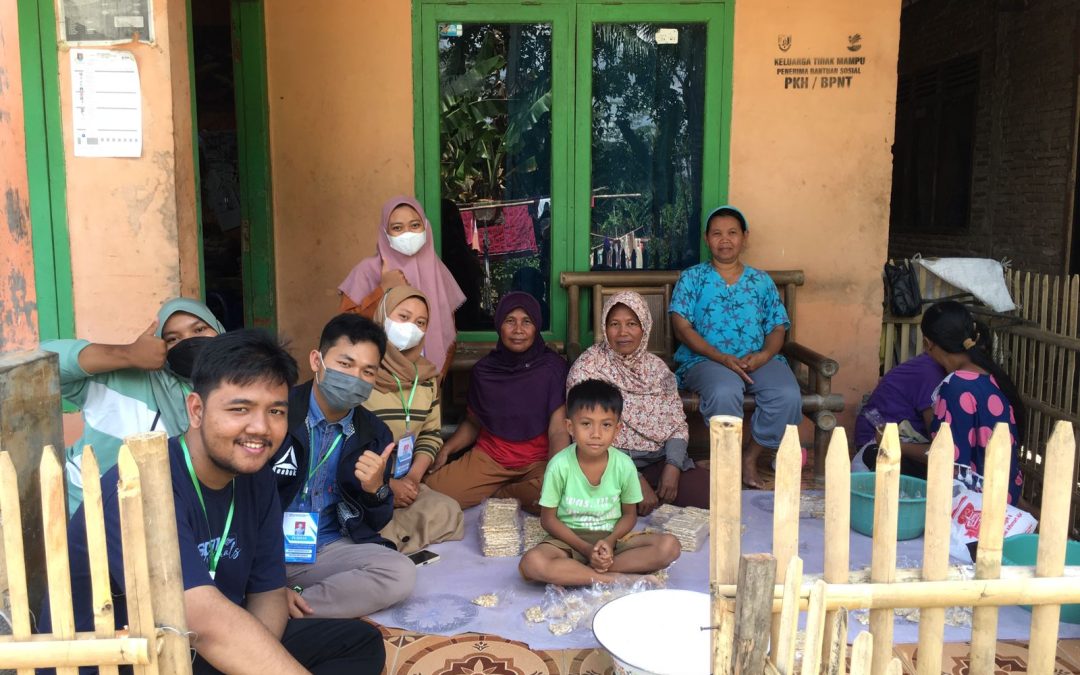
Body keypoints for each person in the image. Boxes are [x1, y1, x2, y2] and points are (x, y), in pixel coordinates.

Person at [40, 329, 386, 675]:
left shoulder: (257, 475)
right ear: (196, 409)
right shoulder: (139, 483)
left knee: (358, 643)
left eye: (276, 412)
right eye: (240, 408)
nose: (260, 428)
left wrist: (245, 663)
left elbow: (269, 594)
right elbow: (202, 618)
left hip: (203, 647)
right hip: (127, 657)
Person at [269, 313, 416, 618]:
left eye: (368, 371)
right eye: (345, 364)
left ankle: (287, 609)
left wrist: (376, 489)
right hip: (262, 548)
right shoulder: (275, 414)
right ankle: (273, 598)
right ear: (316, 361)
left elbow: (374, 521)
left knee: (400, 572)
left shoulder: (375, 434)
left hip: (326, 547)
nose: (354, 378)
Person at [43, 297, 225, 512]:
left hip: (164, 520)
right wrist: (127, 354)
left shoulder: (235, 390)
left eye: (200, 329)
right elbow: (43, 362)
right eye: (172, 339)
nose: (188, 342)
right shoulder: (121, 380)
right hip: (84, 513)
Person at [669, 205, 802, 489]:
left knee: (788, 394)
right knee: (724, 389)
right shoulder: (692, 278)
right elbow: (681, 326)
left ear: (745, 237)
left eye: (732, 233)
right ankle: (726, 463)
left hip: (758, 360)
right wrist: (719, 356)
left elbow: (778, 326)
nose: (725, 239)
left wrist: (765, 354)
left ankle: (749, 458)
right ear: (706, 239)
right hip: (705, 360)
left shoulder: (760, 281)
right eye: (717, 234)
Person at [518, 380, 681, 585]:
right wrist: (586, 549)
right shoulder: (559, 465)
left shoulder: (624, 464)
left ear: (618, 428)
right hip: (568, 540)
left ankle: (582, 573)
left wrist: (610, 542)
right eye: (586, 424)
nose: (596, 434)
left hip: (613, 539)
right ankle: (613, 579)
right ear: (570, 426)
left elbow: (630, 514)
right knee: (532, 562)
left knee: (669, 546)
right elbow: (548, 520)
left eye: (606, 425)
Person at [425, 292, 570, 514]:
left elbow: (559, 430)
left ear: (537, 326)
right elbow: (473, 424)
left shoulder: (552, 369)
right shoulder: (485, 371)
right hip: (491, 458)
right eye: (510, 321)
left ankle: (502, 493)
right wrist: (447, 448)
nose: (518, 330)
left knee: (557, 498)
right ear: (499, 325)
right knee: (432, 492)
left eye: (527, 322)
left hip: (537, 461)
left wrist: (556, 474)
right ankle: (509, 491)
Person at [567, 291, 710, 513]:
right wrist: (634, 478)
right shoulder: (588, 369)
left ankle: (655, 490)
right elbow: (586, 435)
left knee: (708, 494)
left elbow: (677, 425)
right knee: (596, 503)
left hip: (657, 459)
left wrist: (672, 466)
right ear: (605, 329)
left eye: (632, 323)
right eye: (614, 324)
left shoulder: (657, 370)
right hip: (606, 462)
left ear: (644, 327)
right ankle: (638, 496)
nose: (623, 332)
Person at [364, 286, 464, 553]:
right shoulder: (361, 372)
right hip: (364, 484)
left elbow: (431, 433)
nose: (411, 328)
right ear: (382, 316)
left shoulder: (427, 376)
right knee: (371, 523)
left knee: (450, 512)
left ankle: (391, 539)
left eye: (421, 323)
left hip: (406, 480)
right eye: (403, 317)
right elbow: (345, 444)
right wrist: (386, 485)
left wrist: (412, 479)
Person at [338, 196, 466, 376]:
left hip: (426, 379)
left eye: (415, 225)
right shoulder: (367, 271)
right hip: (376, 377)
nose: (408, 233)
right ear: (385, 232)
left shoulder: (437, 271)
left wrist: (438, 378)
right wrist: (382, 289)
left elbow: (448, 329)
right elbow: (344, 327)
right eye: (397, 228)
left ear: (426, 227)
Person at [921, 301, 1025, 504]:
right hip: (1003, 501)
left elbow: (951, 461)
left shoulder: (955, 386)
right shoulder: (992, 377)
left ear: (928, 343)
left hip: (973, 511)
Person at [853, 353, 947, 476]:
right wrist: (894, 444)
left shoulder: (939, 368)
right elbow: (939, 449)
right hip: (880, 445)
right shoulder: (930, 373)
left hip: (896, 443)